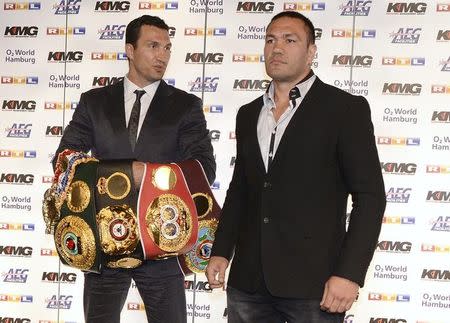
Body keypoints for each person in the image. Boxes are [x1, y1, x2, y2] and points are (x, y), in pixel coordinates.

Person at [206, 11, 386, 323]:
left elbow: (370, 197)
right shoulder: (248, 114)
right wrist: (222, 250)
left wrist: (349, 274)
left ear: (311, 52)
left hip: (314, 285)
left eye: (290, 40)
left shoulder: (344, 109)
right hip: (247, 283)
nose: (277, 48)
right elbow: (241, 190)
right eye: (271, 40)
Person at [53, 15, 215, 323]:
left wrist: (151, 175)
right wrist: (128, 174)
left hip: (163, 243)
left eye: (167, 47)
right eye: (153, 46)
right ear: (129, 49)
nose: (162, 55)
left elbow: (203, 169)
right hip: (104, 243)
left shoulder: (186, 105)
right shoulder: (94, 102)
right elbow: (64, 159)